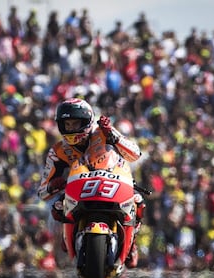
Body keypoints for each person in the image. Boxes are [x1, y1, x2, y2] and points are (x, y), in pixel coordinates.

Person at [38, 98, 145, 268]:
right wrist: (53, 185)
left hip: (111, 182)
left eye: (76, 123)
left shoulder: (102, 132)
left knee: (138, 201)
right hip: (79, 189)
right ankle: (68, 238)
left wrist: (113, 135)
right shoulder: (57, 150)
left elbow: (135, 153)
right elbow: (42, 192)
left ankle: (132, 244)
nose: (71, 129)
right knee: (57, 207)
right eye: (67, 124)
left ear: (87, 121)